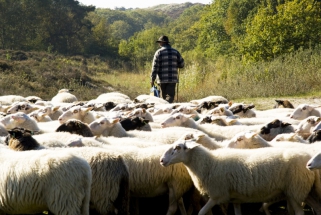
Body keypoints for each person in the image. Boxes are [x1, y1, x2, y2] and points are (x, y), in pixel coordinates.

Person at [150, 35, 184, 103]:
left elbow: (155, 67)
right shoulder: (175, 52)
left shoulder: (158, 52)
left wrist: (152, 79)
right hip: (172, 79)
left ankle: (165, 108)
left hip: (162, 79)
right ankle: (168, 107)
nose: (159, 44)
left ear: (163, 43)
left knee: (163, 97)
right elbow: (182, 64)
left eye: (160, 42)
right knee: (170, 96)